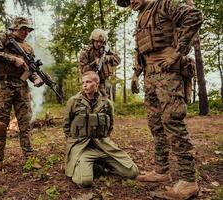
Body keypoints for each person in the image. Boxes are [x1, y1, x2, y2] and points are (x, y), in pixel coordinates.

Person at [116, 0, 202, 199]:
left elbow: (194, 16)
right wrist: (136, 74)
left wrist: (177, 53)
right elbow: (142, 49)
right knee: (155, 125)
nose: (131, 3)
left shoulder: (164, 4)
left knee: (173, 122)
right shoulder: (140, 17)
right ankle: (162, 171)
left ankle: (189, 180)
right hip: (150, 77)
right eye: (127, 1)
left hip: (169, 75)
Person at [0, 17, 43, 176]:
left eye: (28, 30)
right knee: (1, 124)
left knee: (25, 123)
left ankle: (29, 158)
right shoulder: (3, 38)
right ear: (14, 28)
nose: (26, 32)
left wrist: (35, 78)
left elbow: (28, 70)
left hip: (21, 87)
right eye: (23, 29)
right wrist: (13, 58)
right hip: (3, 86)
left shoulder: (28, 48)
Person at [63, 71, 138, 187]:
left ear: (96, 84)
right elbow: (66, 126)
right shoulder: (73, 101)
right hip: (83, 148)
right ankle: (84, 164)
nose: (84, 85)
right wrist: (75, 143)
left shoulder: (107, 103)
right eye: (83, 82)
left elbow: (110, 126)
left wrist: (102, 139)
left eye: (88, 82)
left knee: (132, 172)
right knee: (84, 182)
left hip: (103, 146)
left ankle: (100, 164)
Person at [79, 29, 121, 97]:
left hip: (104, 82)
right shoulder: (85, 52)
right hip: (90, 83)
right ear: (92, 41)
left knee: (106, 104)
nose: (99, 44)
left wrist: (108, 58)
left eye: (101, 42)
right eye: (97, 41)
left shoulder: (105, 50)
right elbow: (83, 70)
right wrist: (94, 63)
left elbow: (118, 60)